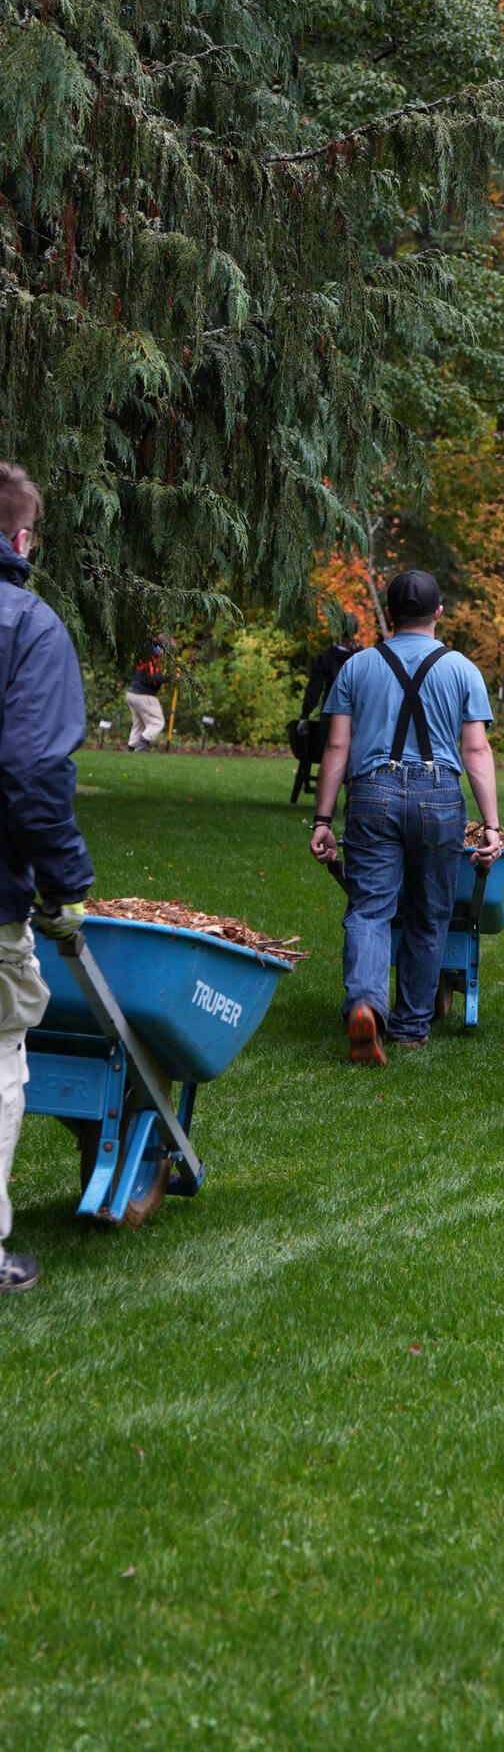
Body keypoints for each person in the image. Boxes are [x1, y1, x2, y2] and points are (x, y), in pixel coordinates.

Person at [309, 569, 502, 1065]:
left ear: (389, 614)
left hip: (372, 793)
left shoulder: (356, 666)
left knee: (369, 909)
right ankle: (411, 1027)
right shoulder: (462, 669)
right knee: (430, 914)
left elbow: (336, 746)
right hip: (439, 796)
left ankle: (365, 1003)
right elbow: (476, 750)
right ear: (439, 612)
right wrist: (491, 827)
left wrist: (323, 819)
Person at [0, 463, 95, 1292]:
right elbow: (31, 768)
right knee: (0, 1051)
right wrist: (66, 882)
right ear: (22, 537)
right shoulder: (28, 626)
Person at [297, 612, 362, 737]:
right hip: (358, 716)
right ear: (356, 630)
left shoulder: (325, 657)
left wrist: (305, 714)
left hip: (331, 715)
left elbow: (314, 688)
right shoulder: (363, 656)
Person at [126, 635, 167, 752]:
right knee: (157, 722)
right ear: (160, 647)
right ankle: (141, 746)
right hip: (143, 695)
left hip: (132, 693)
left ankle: (132, 747)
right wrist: (172, 678)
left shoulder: (146, 654)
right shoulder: (152, 658)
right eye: (166, 649)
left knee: (139, 724)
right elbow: (154, 678)